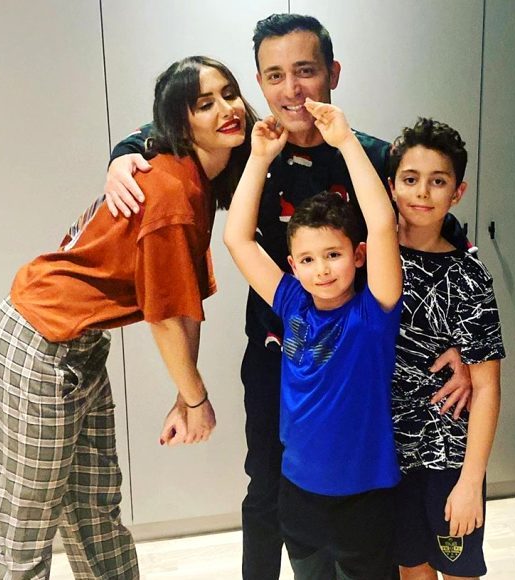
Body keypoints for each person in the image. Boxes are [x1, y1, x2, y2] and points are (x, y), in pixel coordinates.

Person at [102, 14, 472, 579]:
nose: (292, 89)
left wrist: (463, 345)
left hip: (366, 357)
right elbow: (176, 126)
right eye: (275, 76)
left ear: (332, 73)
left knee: (372, 493)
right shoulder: (249, 147)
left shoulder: (372, 157)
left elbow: (439, 232)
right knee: (268, 486)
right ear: (259, 83)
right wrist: (124, 152)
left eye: (305, 71)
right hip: (280, 347)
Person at [0, 56, 256, 579]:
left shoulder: (193, 178)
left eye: (229, 93)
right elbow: (164, 318)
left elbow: (184, 305)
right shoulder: (170, 191)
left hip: (77, 344)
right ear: (181, 124)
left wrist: (185, 393)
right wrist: (195, 400)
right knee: (28, 522)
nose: (227, 109)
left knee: (96, 509)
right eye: (205, 104)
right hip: (40, 341)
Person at [224, 99, 403, 579]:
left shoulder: (374, 313)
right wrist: (259, 158)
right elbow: (238, 239)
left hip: (365, 497)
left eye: (333, 255)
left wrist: (346, 142)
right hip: (299, 494)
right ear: (292, 266)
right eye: (307, 259)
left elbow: (382, 224)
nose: (321, 269)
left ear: (358, 256)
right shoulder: (291, 302)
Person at [388, 118, 506, 579]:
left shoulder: (469, 276)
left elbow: (488, 386)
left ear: (458, 193)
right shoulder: (369, 258)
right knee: (411, 568)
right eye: (410, 179)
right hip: (389, 456)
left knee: (458, 571)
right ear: (391, 186)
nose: (422, 192)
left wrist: (471, 481)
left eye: (438, 181)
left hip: (450, 457)